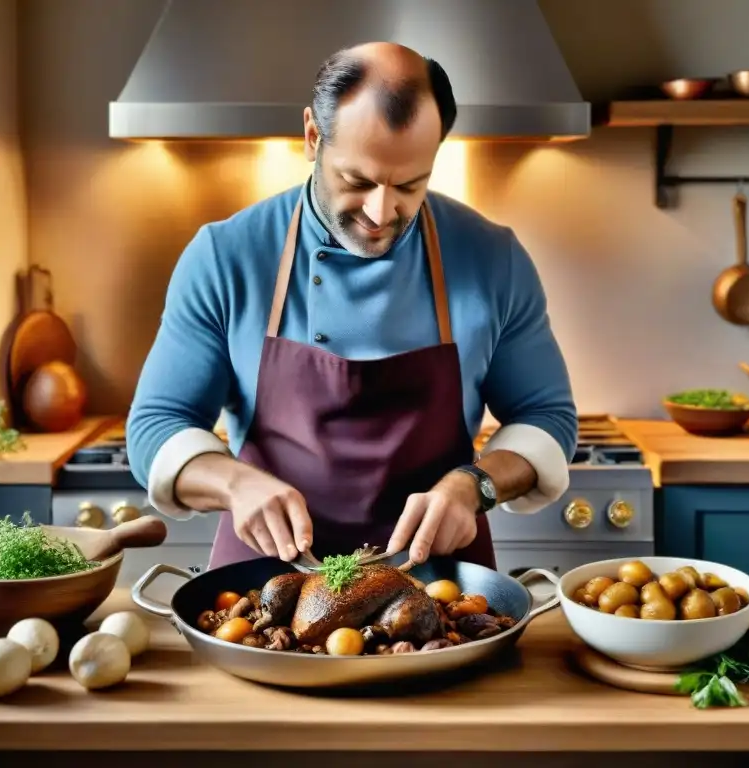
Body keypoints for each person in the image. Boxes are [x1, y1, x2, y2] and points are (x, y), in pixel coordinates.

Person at [126, 42, 577, 571]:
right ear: (313, 137)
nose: (380, 212)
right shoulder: (226, 256)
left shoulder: (491, 257)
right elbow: (157, 423)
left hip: (438, 587)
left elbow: (546, 416)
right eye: (357, 181)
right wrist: (235, 481)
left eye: (410, 184)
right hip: (264, 587)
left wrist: (474, 484)